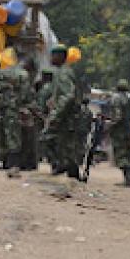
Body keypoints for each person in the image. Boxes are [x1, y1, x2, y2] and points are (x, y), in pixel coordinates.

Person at [47, 45, 83, 180]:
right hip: (69, 116)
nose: (51, 58)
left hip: (67, 117)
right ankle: (69, 173)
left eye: (53, 55)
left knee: (63, 145)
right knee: (66, 146)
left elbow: (68, 96)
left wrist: (56, 114)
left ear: (61, 57)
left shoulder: (63, 73)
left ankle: (70, 173)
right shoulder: (64, 71)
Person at [108, 80, 130, 187]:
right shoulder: (128, 99)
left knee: (121, 155)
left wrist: (109, 125)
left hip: (119, 132)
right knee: (128, 155)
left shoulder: (116, 98)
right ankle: (129, 179)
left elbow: (117, 116)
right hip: (127, 130)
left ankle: (127, 180)